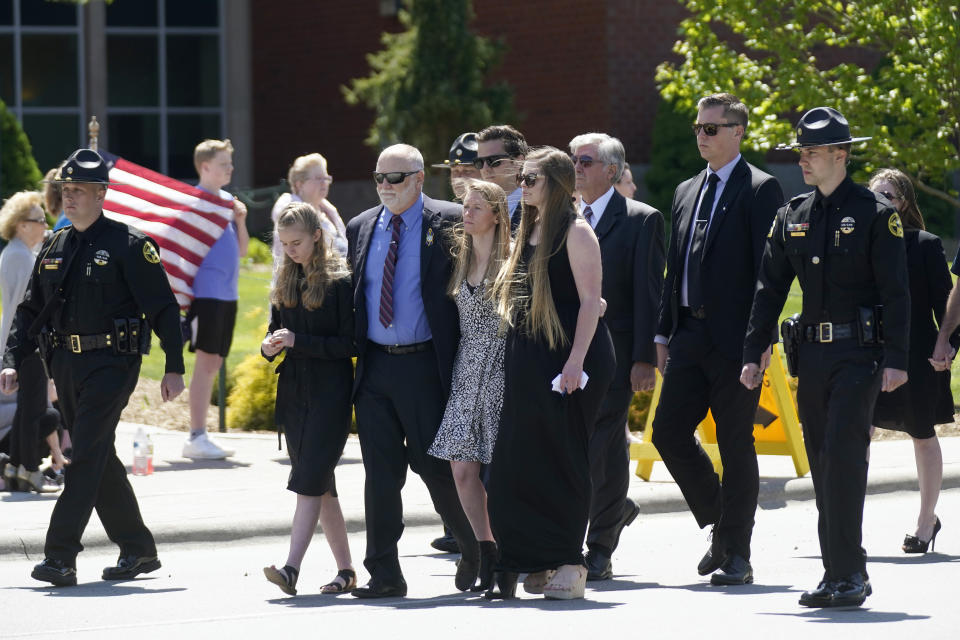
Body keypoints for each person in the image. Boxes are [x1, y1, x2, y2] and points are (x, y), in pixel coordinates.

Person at [742, 107, 910, 608]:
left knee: (841, 457)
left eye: (812, 152)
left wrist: (898, 360)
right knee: (821, 463)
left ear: (841, 154)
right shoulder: (792, 214)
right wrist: (754, 351)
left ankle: (851, 573)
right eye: (800, 152)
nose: (803, 161)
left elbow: (897, 293)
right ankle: (835, 574)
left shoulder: (877, 214)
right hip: (810, 359)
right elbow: (768, 290)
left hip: (859, 356)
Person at [0, 148, 186, 586]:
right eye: (65, 189)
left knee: (83, 453)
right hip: (64, 363)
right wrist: (11, 359)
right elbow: (30, 311)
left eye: (79, 189)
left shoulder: (129, 245)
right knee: (99, 456)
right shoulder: (54, 245)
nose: (70, 197)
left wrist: (174, 366)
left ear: (102, 193)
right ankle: (138, 549)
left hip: (111, 364)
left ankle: (60, 555)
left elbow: (162, 309)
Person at [651, 93, 783, 586]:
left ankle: (737, 554)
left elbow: (769, 276)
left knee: (735, 442)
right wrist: (663, 331)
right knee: (667, 432)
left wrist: (759, 342)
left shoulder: (761, 189)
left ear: (738, 132)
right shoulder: (686, 189)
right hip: (688, 334)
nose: (702, 136)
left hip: (736, 340)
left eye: (712, 128)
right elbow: (675, 268)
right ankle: (722, 526)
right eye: (698, 128)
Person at [345, 143, 478, 598]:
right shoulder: (361, 226)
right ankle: (383, 574)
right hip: (375, 368)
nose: (385, 187)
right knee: (380, 477)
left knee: (434, 466)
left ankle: (473, 546)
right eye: (379, 178)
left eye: (395, 178)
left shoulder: (449, 220)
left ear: (419, 178)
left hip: (425, 364)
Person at [487, 147, 615, 600]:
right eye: (521, 177)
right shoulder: (529, 227)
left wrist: (575, 362)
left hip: (571, 357)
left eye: (531, 178)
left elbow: (589, 303)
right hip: (530, 352)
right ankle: (535, 557)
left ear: (556, 183)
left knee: (562, 458)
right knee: (516, 461)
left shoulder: (577, 232)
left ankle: (569, 562)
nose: (522, 185)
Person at [569, 133, 664, 581]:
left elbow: (649, 295)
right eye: (572, 160)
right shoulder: (562, 218)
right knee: (580, 446)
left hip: (615, 353)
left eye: (585, 161)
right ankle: (610, 514)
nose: (576, 167)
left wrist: (645, 358)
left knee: (601, 447)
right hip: (567, 352)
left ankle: (600, 545)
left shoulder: (641, 220)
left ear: (611, 170)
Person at [261, 202, 356, 596]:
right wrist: (269, 347)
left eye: (296, 243)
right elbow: (274, 332)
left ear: (318, 236)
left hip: (330, 393)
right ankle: (346, 571)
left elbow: (350, 343)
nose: (290, 251)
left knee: (308, 482)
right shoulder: (285, 280)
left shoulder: (339, 281)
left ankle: (291, 569)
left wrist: (301, 341)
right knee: (321, 485)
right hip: (295, 392)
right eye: (284, 245)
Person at [427, 180, 511, 592]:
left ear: (497, 214)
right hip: (466, 369)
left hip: (502, 368)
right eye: (466, 205)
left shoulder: (513, 261)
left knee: (502, 471)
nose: (468, 212)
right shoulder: (457, 257)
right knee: (462, 469)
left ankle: (508, 550)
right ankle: (483, 547)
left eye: (478, 207)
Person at [868, 169, 950, 553]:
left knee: (922, 434)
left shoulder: (925, 245)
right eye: (875, 194)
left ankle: (925, 520)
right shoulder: (860, 244)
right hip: (866, 354)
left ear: (905, 202)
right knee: (857, 435)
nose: (882, 201)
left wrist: (947, 346)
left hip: (916, 357)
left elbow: (947, 306)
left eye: (890, 194)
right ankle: (846, 523)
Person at [182, 139, 248, 460]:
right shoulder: (194, 204)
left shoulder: (227, 203)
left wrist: (240, 219)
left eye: (230, 163)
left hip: (228, 294)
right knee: (207, 362)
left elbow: (242, 251)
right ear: (205, 167)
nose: (230, 168)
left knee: (216, 362)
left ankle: (201, 435)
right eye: (224, 164)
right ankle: (196, 435)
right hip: (205, 295)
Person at [0, 191, 65, 493]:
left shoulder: (19, 253)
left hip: (24, 340)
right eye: (38, 221)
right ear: (21, 225)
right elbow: (23, 305)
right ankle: (27, 469)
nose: (44, 225)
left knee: (29, 406)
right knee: (33, 407)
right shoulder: (18, 256)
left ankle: (16, 466)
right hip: (28, 340)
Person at [270, 153, 347, 263]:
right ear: (299, 184)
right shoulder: (290, 213)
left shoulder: (328, 211)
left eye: (326, 178)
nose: (324, 183)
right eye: (319, 178)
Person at [475, 125, 528, 230]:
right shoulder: (471, 210)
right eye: (479, 162)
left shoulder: (536, 209)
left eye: (494, 160)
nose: (485, 168)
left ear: (518, 162)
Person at [431, 132, 483, 200]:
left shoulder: (497, 209)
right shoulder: (452, 209)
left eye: (468, 171)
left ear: (484, 173)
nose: (459, 177)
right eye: (455, 171)